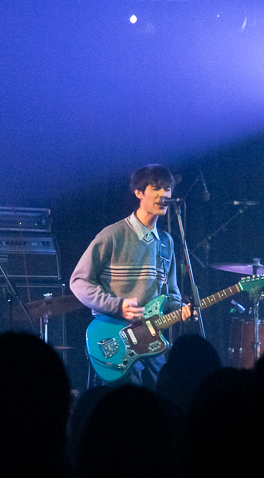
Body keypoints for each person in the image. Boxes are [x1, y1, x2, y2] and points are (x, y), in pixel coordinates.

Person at [71, 164, 191, 388]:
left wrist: (181, 309)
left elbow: (171, 294)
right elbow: (78, 282)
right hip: (116, 335)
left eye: (167, 189)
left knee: (165, 392)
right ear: (139, 193)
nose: (164, 195)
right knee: (124, 400)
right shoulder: (112, 235)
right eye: (156, 188)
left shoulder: (166, 242)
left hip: (151, 337)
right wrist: (117, 306)